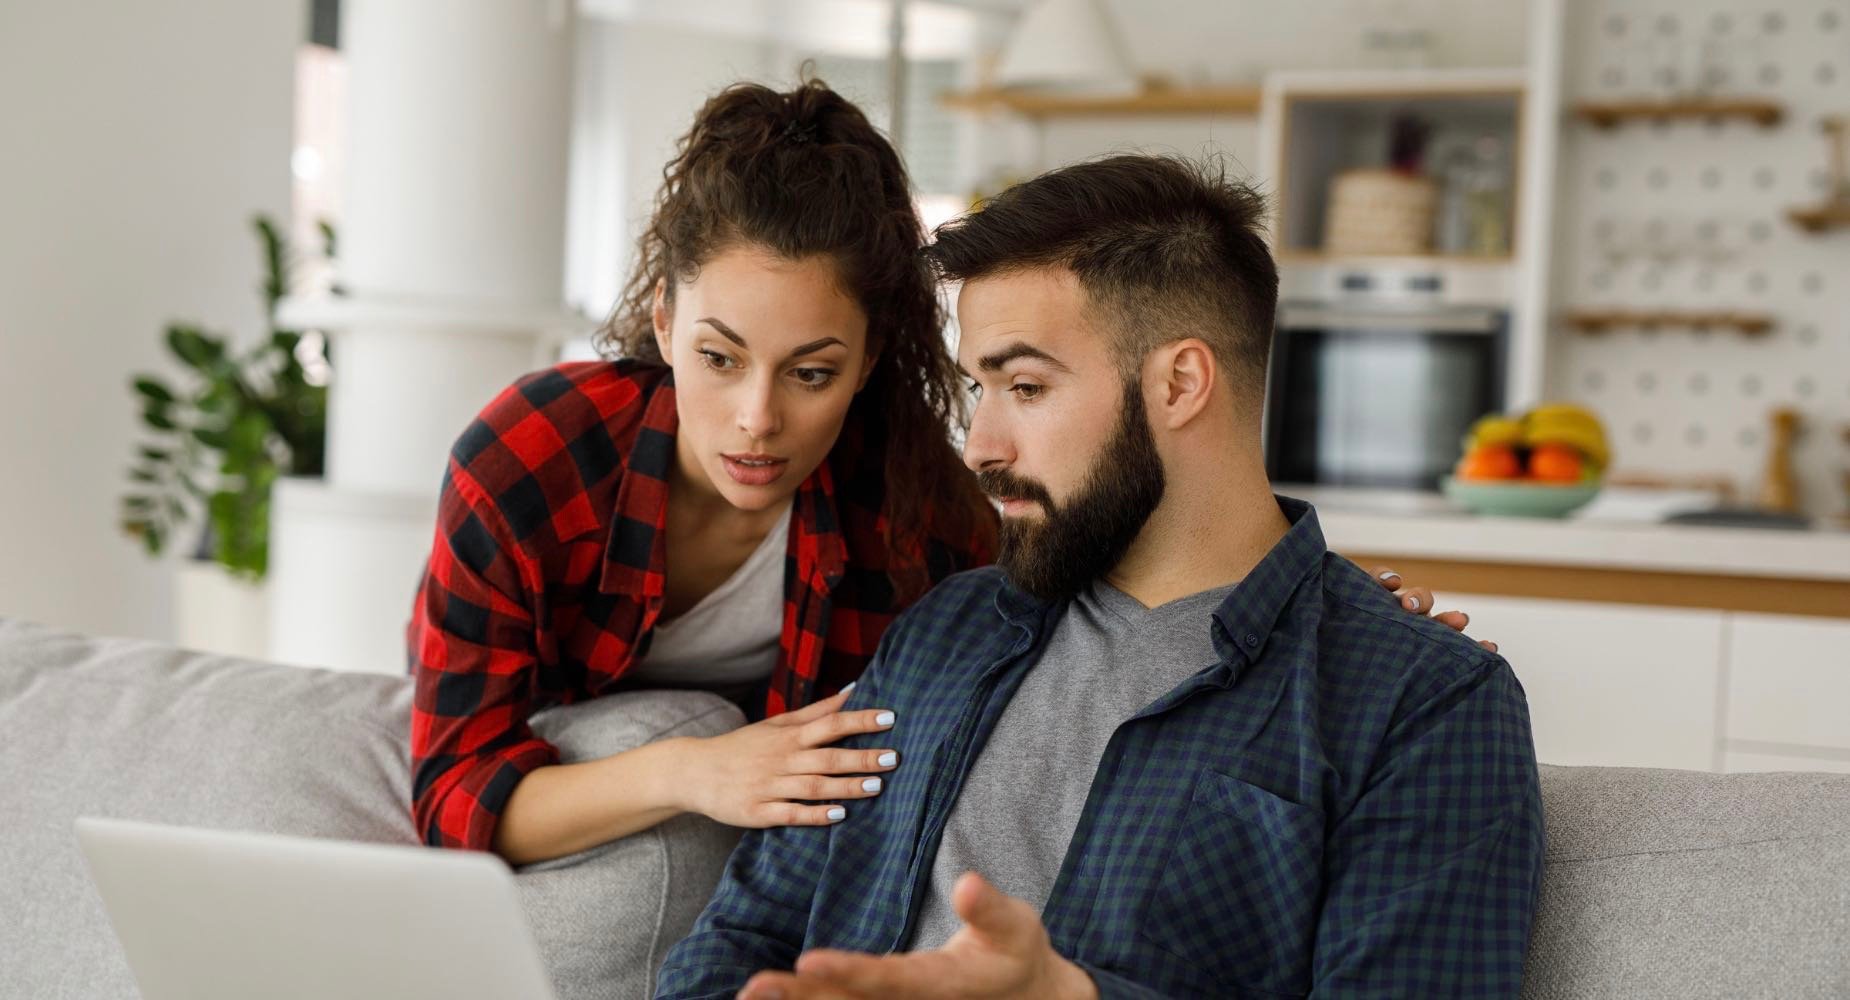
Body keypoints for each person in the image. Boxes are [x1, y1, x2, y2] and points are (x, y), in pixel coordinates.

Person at [406, 79, 1486, 866]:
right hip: (552, 759)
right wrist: (695, 769)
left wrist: (1331, 622)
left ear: (869, 359)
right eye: (717, 356)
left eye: (812, 371)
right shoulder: (535, 455)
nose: (757, 418)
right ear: (662, 321)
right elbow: (453, 785)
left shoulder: (912, 496)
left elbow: (1105, 570)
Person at [657, 154, 1544, 999]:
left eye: (1028, 389)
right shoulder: (944, 633)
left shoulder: (1422, 704)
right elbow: (740, 941)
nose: (981, 447)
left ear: (1179, 384)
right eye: (979, 391)